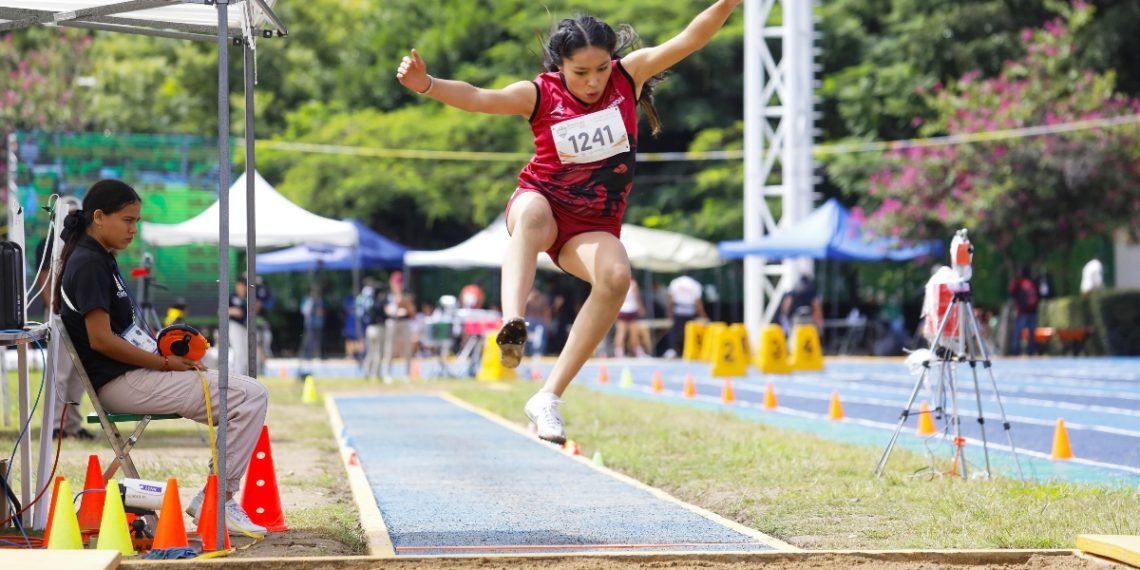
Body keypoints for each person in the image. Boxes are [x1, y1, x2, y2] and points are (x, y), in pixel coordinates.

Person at [397, 0, 743, 444]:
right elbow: (479, 97)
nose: (593, 81)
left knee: (616, 278)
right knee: (533, 214)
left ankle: (547, 397)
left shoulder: (629, 76)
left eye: (600, 69)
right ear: (560, 66)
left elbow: (690, 38)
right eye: (580, 73)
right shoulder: (539, 94)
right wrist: (426, 84)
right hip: (540, 202)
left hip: (592, 224)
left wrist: (727, 4)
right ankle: (513, 322)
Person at [54, 179, 268, 535]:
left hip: (134, 376)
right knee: (250, 396)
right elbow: (101, 341)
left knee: (244, 392)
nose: (133, 230)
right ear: (98, 217)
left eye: (136, 221)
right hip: (122, 383)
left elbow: (121, 334)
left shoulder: (100, 258)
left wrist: (166, 357)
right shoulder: (89, 263)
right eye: (127, 220)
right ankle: (218, 499)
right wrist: (165, 364)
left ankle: (218, 495)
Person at [381, 271, 416, 382]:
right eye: (396, 283)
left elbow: (412, 311)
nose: (398, 285)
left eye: (400, 283)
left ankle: (407, 374)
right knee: (389, 349)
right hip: (392, 322)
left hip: (404, 322)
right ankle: (388, 374)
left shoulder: (407, 293)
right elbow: (385, 309)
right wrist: (395, 310)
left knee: (407, 349)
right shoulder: (387, 294)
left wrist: (404, 303)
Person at [665, 273, 707, 358]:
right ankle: (686, 350)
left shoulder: (675, 282)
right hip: (690, 311)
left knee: (676, 332)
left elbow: (671, 299)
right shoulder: (695, 284)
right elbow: (697, 302)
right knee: (688, 332)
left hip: (678, 310)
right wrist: (703, 315)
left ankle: (673, 350)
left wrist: (669, 311)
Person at [613, 277, 649, 357]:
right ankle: (638, 352)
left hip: (622, 310)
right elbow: (636, 298)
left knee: (621, 333)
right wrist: (641, 309)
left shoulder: (619, 282)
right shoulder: (633, 283)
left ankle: (619, 352)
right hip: (631, 310)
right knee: (634, 334)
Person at [1008, 265, 1039, 356]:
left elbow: (1011, 292)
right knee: (1031, 333)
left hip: (1022, 312)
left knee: (1018, 333)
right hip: (1032, 311)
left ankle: (1015, 351)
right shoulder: (1033, 283)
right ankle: (1031, 351)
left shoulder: (1019, 282)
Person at [228, 276, 252, 376]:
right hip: (235, 325)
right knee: (238, 352)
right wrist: (233, 311)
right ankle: (238, 375)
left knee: (247, 353)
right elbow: (221, 310)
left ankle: (245, 374)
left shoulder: (249, 297)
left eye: (242, 285)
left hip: (247, 327)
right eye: (238, 285)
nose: (240, 287)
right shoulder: (232, 297)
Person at [299, 284, 325, 361]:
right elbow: (304, 311)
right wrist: (313, 310)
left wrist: (317, 312)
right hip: (309, 323)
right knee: (308, 340)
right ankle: (307, 356)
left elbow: (321, 312)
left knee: (318, 340)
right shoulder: (307, 300)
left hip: (318, 323)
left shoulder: (320, 300)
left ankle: (318, 355)